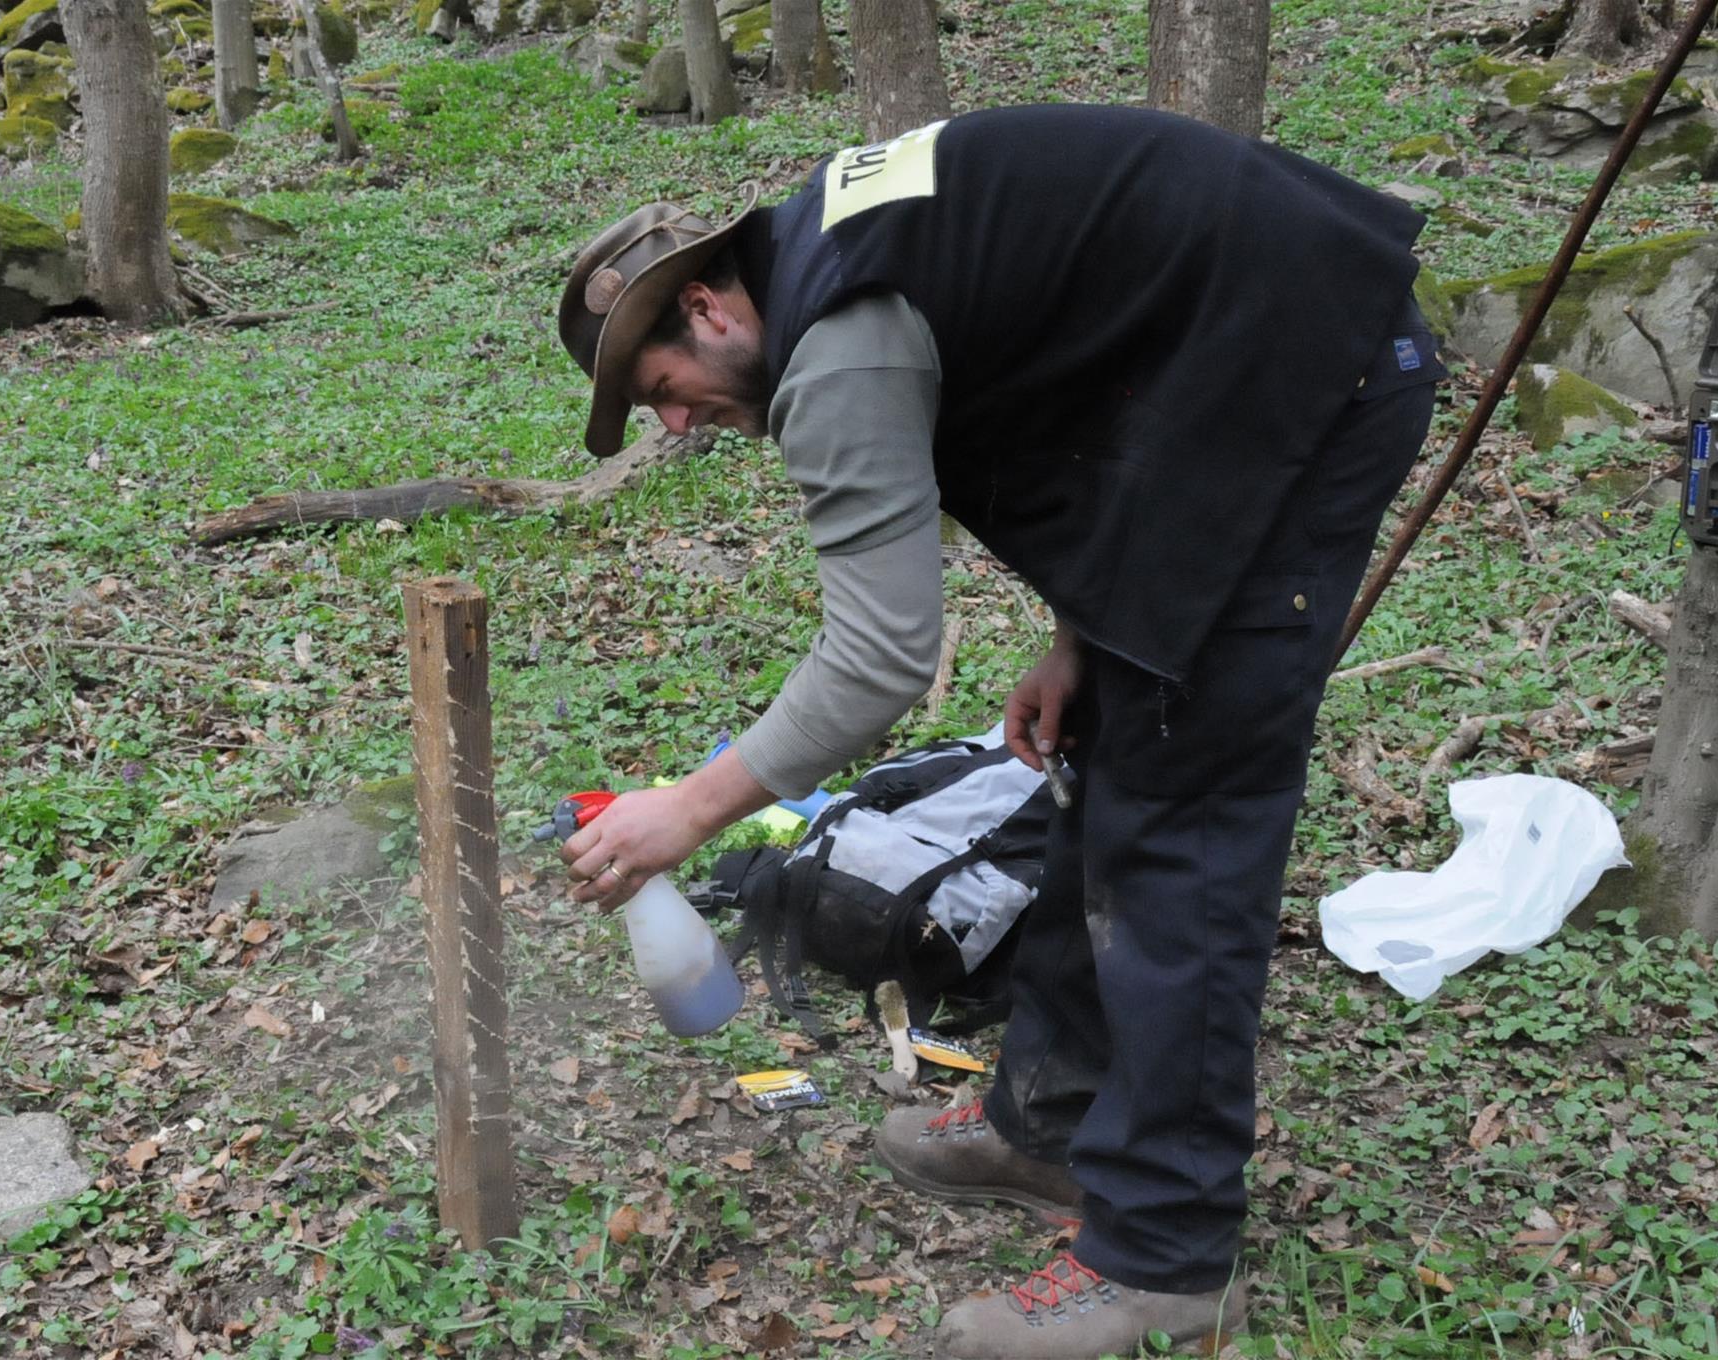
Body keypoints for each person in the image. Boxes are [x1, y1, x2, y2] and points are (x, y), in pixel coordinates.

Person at [554, 103, 1445, 1358]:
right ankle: (1055, 1121)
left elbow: (878, 656)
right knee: (1107, 758)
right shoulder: (838, 256)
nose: (676, 425)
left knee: (1183, 817)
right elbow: (1081, 359)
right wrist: (1086, 632)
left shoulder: (837, 341)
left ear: (706, 308)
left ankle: (1165, 1259)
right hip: (1218, 387)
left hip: (1304, 381)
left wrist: (689, 810)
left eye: (662, 390)